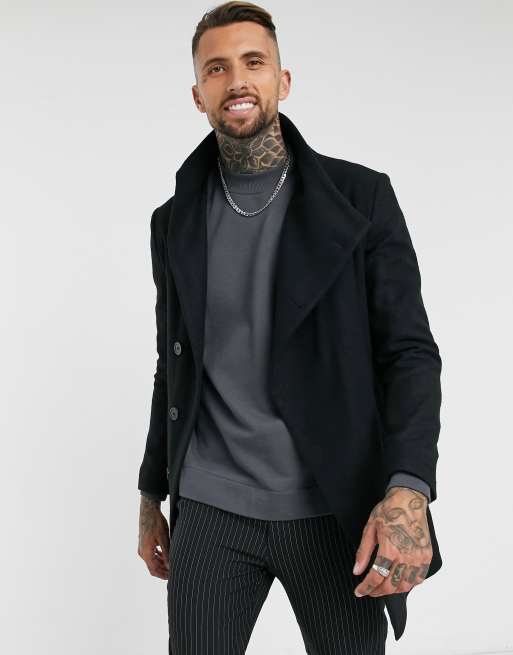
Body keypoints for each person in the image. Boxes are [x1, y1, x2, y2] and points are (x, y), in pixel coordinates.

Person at [136, 2, 443, 653]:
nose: (236, 80)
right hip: (211, 508)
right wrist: (151, 490)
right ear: (198, 95)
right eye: (216, 68)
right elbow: (173, 363)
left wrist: (409, 487)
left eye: (253, 62)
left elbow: (409, 354)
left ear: (283, 79)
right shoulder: (172, 221)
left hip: (332, 504)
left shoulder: (360, 198)